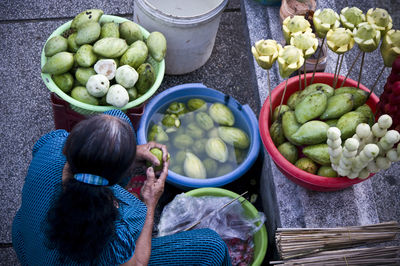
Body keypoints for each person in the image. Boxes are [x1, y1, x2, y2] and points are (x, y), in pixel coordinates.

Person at [12, 110, 231, 265]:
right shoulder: (121, 223)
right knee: (213, 247)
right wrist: (150, 203)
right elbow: (136, 264)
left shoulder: (51, 146)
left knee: (117, 117)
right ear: (122, 174)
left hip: (28, 244)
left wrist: (123, 152)